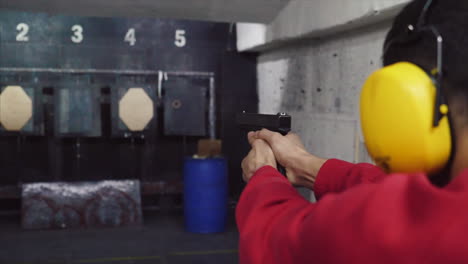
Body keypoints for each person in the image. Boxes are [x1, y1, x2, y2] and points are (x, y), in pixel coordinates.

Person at [236, 0, 468, 263]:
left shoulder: (426, 230)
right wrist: (307, 165)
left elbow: (273, 241)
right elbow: (406, 192)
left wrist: (263, 177)